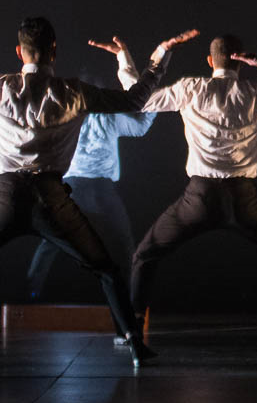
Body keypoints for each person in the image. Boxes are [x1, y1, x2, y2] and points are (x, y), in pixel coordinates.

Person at [0, 17, 176, 367]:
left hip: (5, 197)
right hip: (51, 197)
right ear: (54, 50)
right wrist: (158, 59)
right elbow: (136, 100)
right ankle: (133, 343)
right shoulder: (74, 91)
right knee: (106, 269)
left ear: (19, 52)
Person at [126, 34, 257, 338]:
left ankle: (132, 328)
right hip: (245, 199)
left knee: (145, 254)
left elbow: (140, 99)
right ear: (241, 62)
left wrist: (137, 58)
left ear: (210, 61)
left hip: (199, 198)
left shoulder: (191, 88)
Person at [21, 37, 177, 303]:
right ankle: (126, 297)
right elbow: (140, 125)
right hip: (92, 188)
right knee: (120, 243)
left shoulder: (69, 110)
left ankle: (30, 295)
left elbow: (39, 137)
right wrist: (153, 102)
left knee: (53, 241)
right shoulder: (104, 113)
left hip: (74, 187)